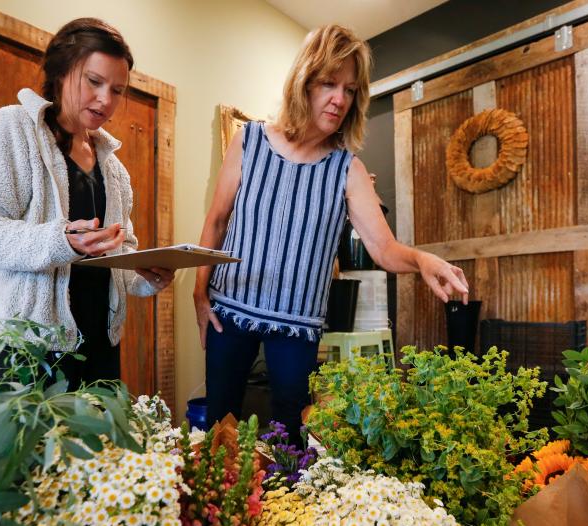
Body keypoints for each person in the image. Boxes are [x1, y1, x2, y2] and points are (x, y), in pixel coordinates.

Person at [194, 24, 469, 445]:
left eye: (351, 89)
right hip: (230, 308)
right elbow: (215, 221)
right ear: (304, 81)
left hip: (297, 323)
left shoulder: (348, 170)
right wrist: (200, 294)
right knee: (220, 427)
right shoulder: (248, 141)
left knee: (291, 436)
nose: (340, 99)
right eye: (329, 83)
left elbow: (384, 248)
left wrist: (423, 260)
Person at [0, 17, 173, 389]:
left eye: (118, 90)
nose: (106, 100)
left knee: (98, 447)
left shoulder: (113, 167)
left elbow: (120, 249)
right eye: (94, 82)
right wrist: (61, 241)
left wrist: (145, 276)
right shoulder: (9, 128)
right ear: (61, 72)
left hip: (99, 343)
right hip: (23, 345)